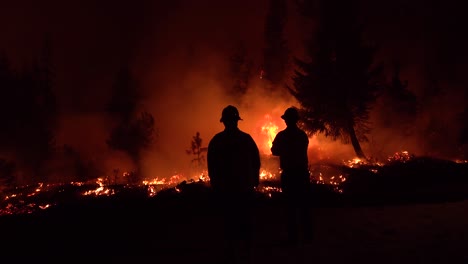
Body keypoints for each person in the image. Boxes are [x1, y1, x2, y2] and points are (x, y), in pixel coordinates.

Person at [207, 105, 261, 263]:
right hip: (243, 188)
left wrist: (215, 183)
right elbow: (256, 161)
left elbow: (211, 165)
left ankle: (231, 252)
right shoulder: (246, 139)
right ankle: (245, 252)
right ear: (237, 121)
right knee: (245, 221)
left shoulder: (217, 140)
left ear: (223, 122)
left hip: (225, 189)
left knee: (228, 221)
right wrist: (254, 180)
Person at [271, 107, 313, 246]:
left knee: (290, 207)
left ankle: (293, 238)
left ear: (286, 120)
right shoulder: (302, 135)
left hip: (289, 174)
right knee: (304, 206)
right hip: (302, 174)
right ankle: (307, 237)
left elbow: (274, 151)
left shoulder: (282, 136)